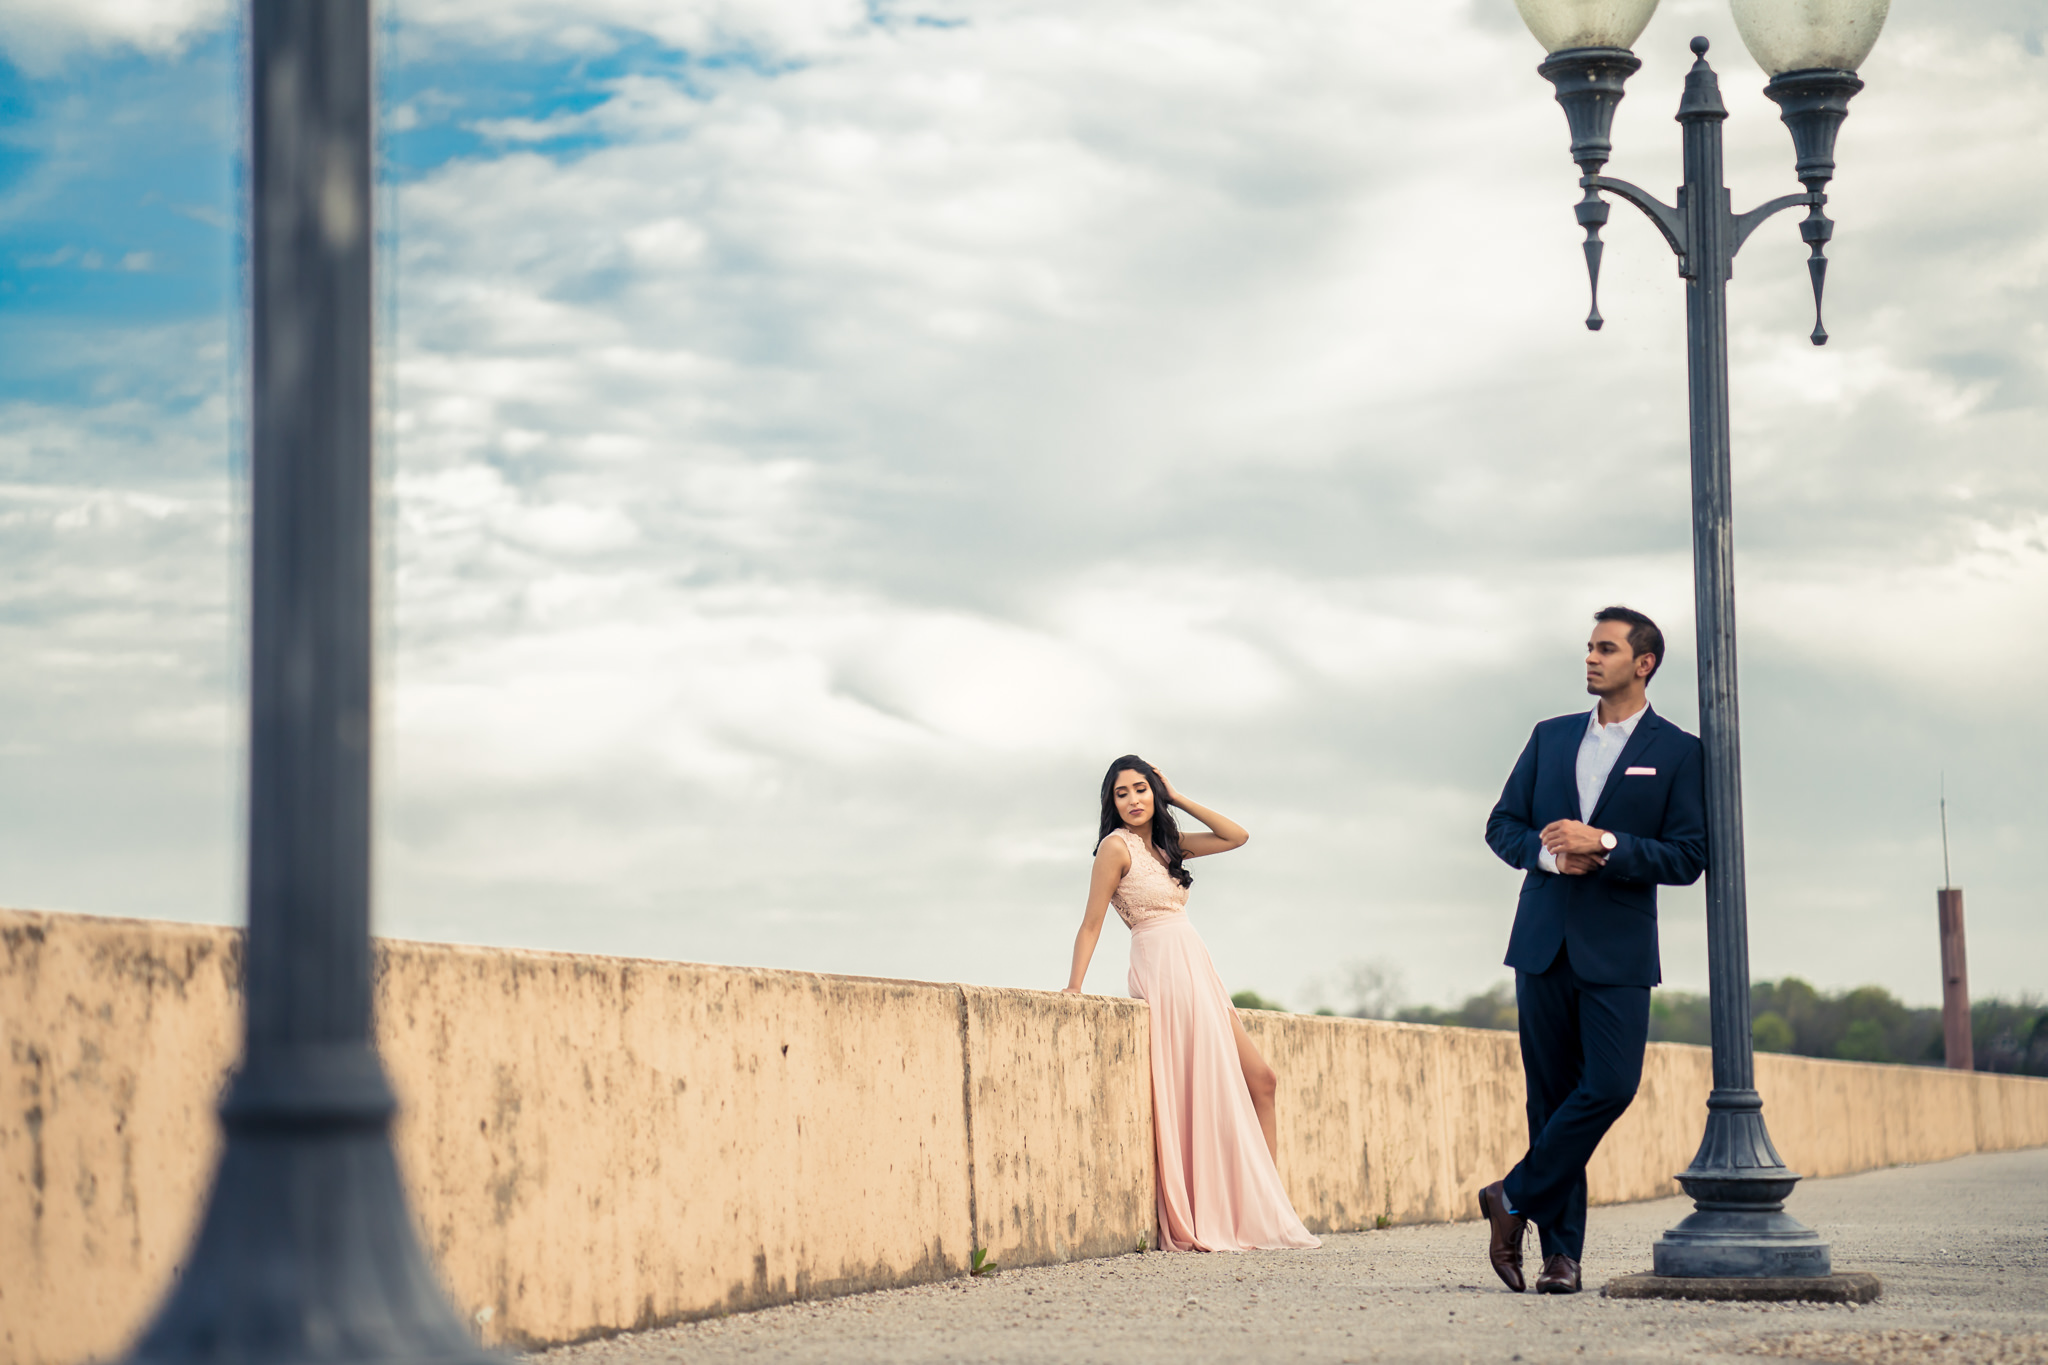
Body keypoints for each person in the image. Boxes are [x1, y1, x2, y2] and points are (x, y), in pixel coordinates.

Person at [1478, 607, 1708, 1294]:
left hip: (1619, 951)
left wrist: (1603, 844)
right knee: (1549, 1102)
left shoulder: (1679, 750)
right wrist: (1550, 859)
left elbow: (1689, 855)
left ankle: (1511, 1196)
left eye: (1606, 648)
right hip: (1542, 943)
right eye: (1588, 646)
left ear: (1644, 663)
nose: (1591, 657)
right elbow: (1502, 824)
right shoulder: (1550, 738)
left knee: (1609, 1085)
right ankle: (1560, 1257)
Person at [1063, 755, 1319, 1253]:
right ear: (1110, 802)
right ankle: (1247, 1210)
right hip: (1162, 965)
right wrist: (1073, 989)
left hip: (1196, 963)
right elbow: (1091, 923)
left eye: (1142, 789)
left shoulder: (1165, 844)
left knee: (1262, 1080)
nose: (1134, 800)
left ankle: (1266, 1206)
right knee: (1202, 1087)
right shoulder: (1115, 849)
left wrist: (1176, 797)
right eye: (1123, 793)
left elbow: (1235, 836)